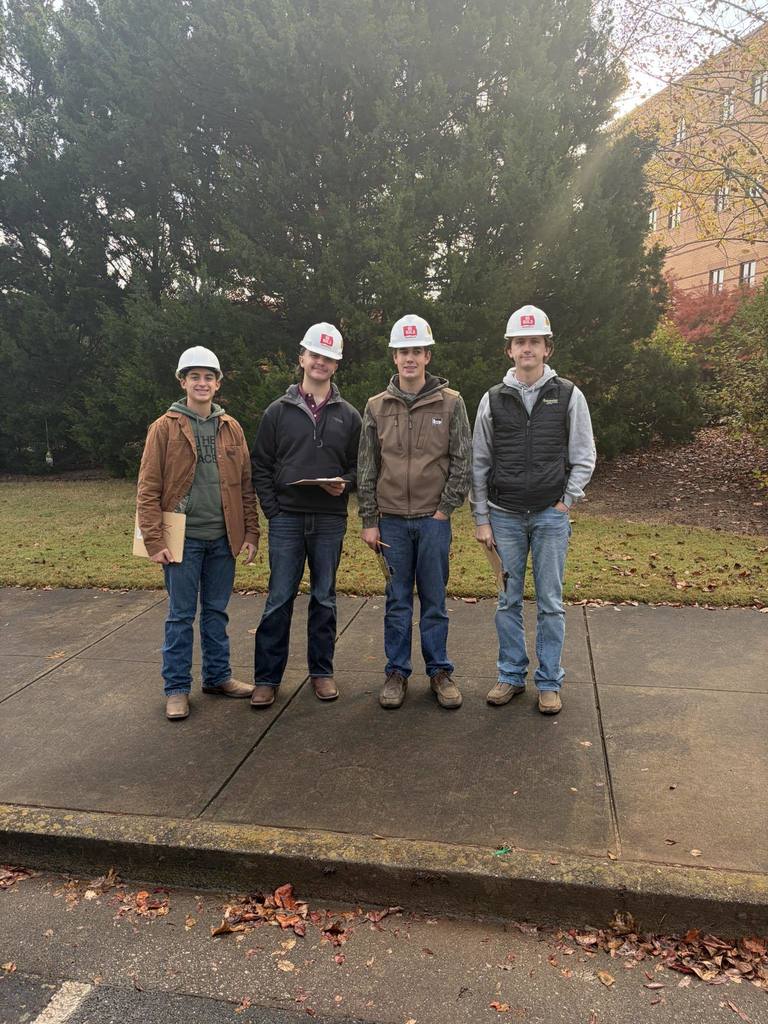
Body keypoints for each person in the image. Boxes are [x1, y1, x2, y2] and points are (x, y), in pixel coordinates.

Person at [471, 305, 596, 715]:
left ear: (547, 348)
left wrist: (566, 501)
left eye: (535, 342)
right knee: (507, 601)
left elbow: (584, 455)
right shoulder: (492, 399)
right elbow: (479, 463)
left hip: (549, 516)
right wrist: (481, 518)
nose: (527, 348)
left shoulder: (568, 395)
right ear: (509, 350)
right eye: (520, 342)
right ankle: (510, 675)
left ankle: (548, 682)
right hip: (503, 515)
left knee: (550, 602)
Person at [136, 346, 260, 721]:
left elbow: (246, 485)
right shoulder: (164, 427)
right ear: (183, 382)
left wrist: (251, 532)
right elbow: (148, 488)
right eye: (195, 377)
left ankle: (217, 677)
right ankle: (176, 688)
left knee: (216, 612)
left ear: (218, 383)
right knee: (180, 615)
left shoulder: (231, 427)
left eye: (209, 377)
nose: (202, 383)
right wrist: (154, 541)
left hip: (223, 538)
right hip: (182, 541)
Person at [358, 314, 472, 710]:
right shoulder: (376, 407)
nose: (410, 358)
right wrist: (369, 520)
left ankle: (439, 671)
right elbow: (367, 468)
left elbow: (462, 461)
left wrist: (443, 512)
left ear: (427, 355)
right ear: (394, 357)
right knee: (397, 600)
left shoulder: (451, 403)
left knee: (435, 599)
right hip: (390, 521)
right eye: (403, 351)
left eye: (417, 351)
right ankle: (396, 672)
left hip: (432, 521)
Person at [249, 323, 362, 707]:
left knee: (325, 599)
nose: (320, 363)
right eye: (315, 355)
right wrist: (273, 510)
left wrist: (344, 484)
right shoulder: (277, 412)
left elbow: (359, 468)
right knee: (279, 599)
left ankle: (322, 672)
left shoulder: (349, 415)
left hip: (329, 520)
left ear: (336, 365)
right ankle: (266, 677)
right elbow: (260, 465)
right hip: (287, 520)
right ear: (302, 358)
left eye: (328, 358)